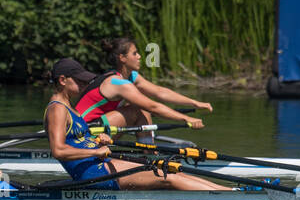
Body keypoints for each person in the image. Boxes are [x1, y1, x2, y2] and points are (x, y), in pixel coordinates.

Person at [44, 59, 222, 191]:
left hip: (100, 163)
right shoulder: (57, 110)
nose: (84, 84)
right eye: (79, 81)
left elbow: (77, 141)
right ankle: (232, 195)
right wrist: (95, 151)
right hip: (94, 173)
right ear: (62, 80)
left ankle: (232, 192)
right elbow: (58, 150)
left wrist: (98, 141)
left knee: (165, 169)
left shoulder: (70, 109)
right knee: (168, 176)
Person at [74, 37, 213, 130]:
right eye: (135, 54)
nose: (140, 57)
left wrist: (195, 103)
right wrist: (186, 118)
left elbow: (160, 92)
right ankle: (149, 154)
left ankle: (148, 149)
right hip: (81, 131)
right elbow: (153, 106)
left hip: (97, 126)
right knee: (139, 108)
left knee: (139, 107)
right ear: (122, 58)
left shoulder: (130, 76)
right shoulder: (117, 82)